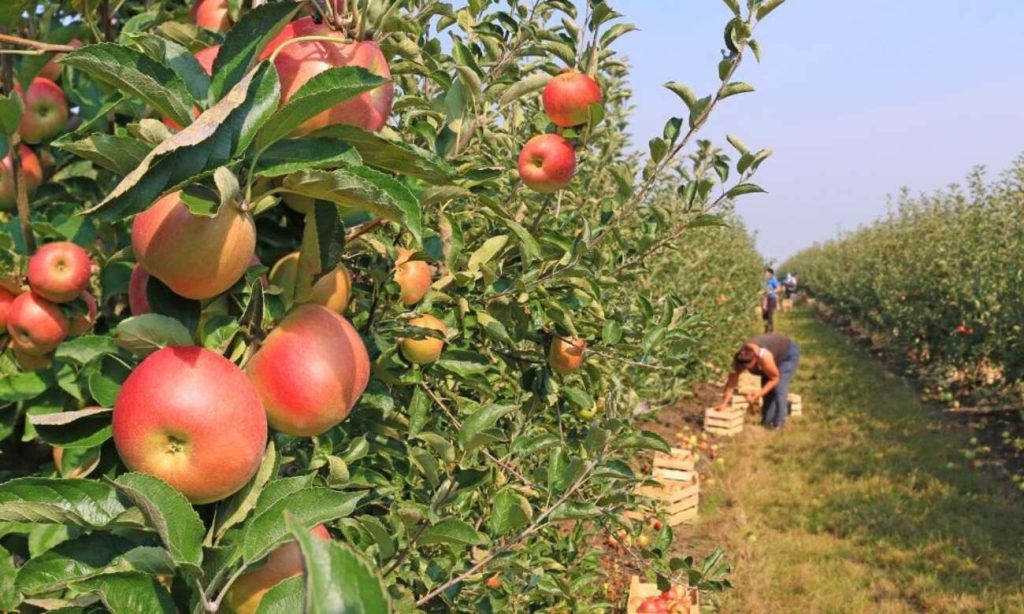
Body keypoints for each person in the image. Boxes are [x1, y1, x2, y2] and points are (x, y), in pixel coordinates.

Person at [715, 332, 800, 429]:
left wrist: (758, 393)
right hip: (772, 356)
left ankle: (779, 422)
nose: (746, 370)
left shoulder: (764, 356)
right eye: (743, 368)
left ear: (755, 359)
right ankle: (767, 422)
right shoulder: (740, 358)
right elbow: (731, 383)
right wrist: (724, 403)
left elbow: (774, 379)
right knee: (767, 391)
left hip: (787, 354)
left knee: (779, 387)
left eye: (748, 367)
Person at [762, 267, 780, 332]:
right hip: (764, 299)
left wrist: (771, 291)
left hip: (772, 298)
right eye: (765, 273)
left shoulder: (773, 279)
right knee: (764, 314)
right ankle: (766, 329)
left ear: (770, 274)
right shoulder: (763, 280)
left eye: (767, 273)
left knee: (770, 314)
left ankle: (771, 330)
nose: (765, 274)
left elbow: (778, 288)